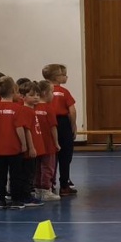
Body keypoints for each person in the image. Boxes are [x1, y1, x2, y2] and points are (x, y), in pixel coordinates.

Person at [0, 75, 29, 207]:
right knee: (16, 175)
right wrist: (24, 143)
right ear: (14, 90)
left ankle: (0, 200)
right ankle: (15, 199)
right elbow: (19, 128)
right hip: (14, 147)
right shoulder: (17, 108)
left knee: (0, 175)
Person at [43, 63, 78, 196]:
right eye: (63, 75)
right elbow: (72, 110)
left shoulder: (43, 90)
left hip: (46, 122)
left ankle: (48, 184)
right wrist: (73, 125)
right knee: (65, 154)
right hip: (62, 123)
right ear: (56, 77)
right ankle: (64, 185)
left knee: (49, 155)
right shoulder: (64, 92)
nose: (66, 77)